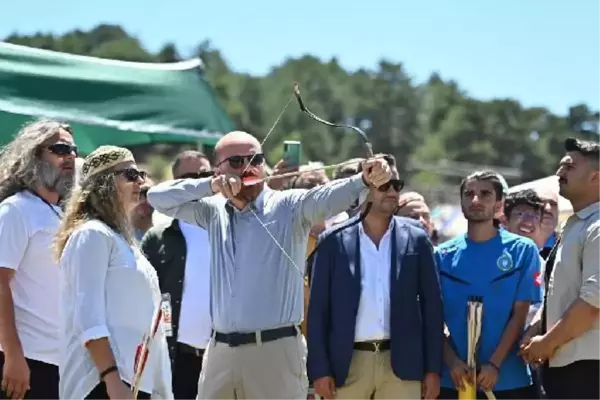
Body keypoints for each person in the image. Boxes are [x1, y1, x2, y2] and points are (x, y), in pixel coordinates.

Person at [147, 130, 393, 400]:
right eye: (237, 162)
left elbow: (329, 197)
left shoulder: (290, 205)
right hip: (219, 351)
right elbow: (156, 198)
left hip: (274, 351)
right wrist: (210, 186)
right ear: (219, 170)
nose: (248, 168)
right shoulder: (212, 210)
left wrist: (365, 178)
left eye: (255, 159)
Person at [307, 156, 443, 400]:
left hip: (403, 367)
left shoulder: (418, 239)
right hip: (346, 367)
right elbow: (318, 312)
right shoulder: (331, 241)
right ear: (363, 188)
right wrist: (319, 370)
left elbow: (432, 308)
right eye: (384, 186)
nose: (392, 192)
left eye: (396, 185)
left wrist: (433, 369)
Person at [55, 146, 173, 400]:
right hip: (102, 383)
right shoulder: (92, 234)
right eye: (130, 175)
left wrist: (161, 389)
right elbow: (88, 318)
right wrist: (111, 379)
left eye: (140, 174)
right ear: (104, 184)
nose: (141, 182)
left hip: (136, 381)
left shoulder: (125, 242)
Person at [436, 170, 541, 400]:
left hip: (508, 379)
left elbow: (520, 314)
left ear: (499, 204)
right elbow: (432, 317)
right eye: (469, 194)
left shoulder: (522, 250)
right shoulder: (441, 255)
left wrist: (494, 364)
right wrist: (452, 362)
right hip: (455, 380)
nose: (475, 200)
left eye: (485, 194)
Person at [0, 119, 76, 400]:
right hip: (25, 364)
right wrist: (13, 355)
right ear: (34, 155)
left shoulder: (61, 215)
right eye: (60, 149)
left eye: (73, 150)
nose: (70, 156)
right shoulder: (16, 210)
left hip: (63, 364)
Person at [520, 138, 600, 399]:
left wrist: (548, 342)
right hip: (565, 364)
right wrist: (536, 328)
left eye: (570, 166)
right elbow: (560, 290)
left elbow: (593, 301)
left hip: (588, 368)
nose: (559, 172)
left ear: (595, 177)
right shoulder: (576, 224)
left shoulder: (597, 226)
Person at [141, 153, 215, 400]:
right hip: (177, 357)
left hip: (222, 356)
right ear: (175, 182)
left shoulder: (229, 229)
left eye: (205, 176)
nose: (198, 183)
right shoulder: (158, 237)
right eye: (190, 177)